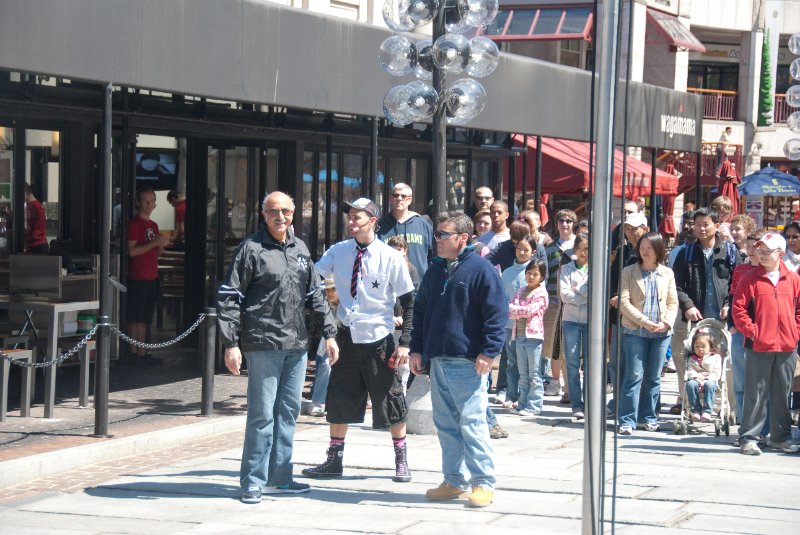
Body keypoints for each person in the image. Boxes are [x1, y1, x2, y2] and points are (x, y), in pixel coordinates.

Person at [217, 191, 338, 503]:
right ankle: (252, 483)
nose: (280, 216)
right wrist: (230, 343)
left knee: (288, 413)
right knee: (261, 416)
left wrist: (329, 334)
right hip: (263, 343)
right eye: (274, 211)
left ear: (293, 213)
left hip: (297, 345)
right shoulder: (251, 249)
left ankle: (280, 478)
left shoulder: (300, 249)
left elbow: (316, 296)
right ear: (263, 213)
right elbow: (229, 296)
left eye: (285, 211)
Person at [304, 198, 416, 482]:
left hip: (379, 339)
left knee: (392, 401)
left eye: (358, 218)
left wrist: (405, 341)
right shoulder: (338, 251)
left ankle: (401, 460)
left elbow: (409, 301)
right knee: (338, 399)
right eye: (350, 217)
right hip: (346, 336)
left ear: (373, 221)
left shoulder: (389, 256)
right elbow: (313, 278)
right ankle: (334, 460)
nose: (351, 222)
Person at [409, 211, 507, 508]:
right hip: (438, 358)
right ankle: (454, 480)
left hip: (468, 360)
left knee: (472, 422)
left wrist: (489, 352)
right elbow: (421, 311)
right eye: (436, 234)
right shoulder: (435, 270)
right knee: (446, 423)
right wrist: (416, 349)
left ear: (463, 238)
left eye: (442, 234)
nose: (436, 239)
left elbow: (496, 315)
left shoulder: (481, 269)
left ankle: (483, 483)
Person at [732, 232, 800, 455]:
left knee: (783, 392)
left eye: (766, 251)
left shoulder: (793, 279)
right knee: (756, 392)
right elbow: (739, 310)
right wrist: (753, 332)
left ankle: (780, 437)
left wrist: (795, 332)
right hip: (759, 345)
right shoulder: (749, 278)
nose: (761, 254)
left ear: (780, 253)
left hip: (787, 346)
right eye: (759, 250)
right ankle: (749, 437)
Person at [670, 207, 737, 414]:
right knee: (689, 365)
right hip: (692, 321)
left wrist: (728, 304)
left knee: (726, 367)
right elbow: (676, 285)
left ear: (716, 226)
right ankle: (690, 407)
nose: (701, 228)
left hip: (721, 320)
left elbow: (736, 284)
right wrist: (688, 305)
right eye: (697, 224)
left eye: (706, 224)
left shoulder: (730, 252)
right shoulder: (686, 252)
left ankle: (729, 409)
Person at [617, 232, 678, 435]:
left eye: (650, 247)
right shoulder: (629, 271)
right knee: (633, 375)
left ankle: (648, 417)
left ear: (658, 249)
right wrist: (644, 322)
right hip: (635, 330)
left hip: (661, 333)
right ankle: (627, 419)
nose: (645, 251)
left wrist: (666, 323)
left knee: (653, 377)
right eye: (642, 247)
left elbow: (672, 302)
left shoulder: (667, 273)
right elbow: (624, 302)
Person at [608, 212, 649, 413]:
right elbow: (612, 281)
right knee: (617, 362)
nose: (631, 233)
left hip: (642, 317)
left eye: (635, 228)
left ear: (645, 229)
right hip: (620, 317)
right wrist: (615, 295)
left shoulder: (651, 252)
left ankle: (639, 405)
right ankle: (618, 402)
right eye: (627, 229)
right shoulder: (621, 252)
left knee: (638, 365)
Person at [126, 188, 170, 367]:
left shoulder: (153, 225)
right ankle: (133, 352)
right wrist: (155, 243)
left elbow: (156, 252)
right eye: (146, 201)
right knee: (134, 317)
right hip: (137, 276)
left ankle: (142, 351)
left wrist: (161, 245)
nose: (149, 205)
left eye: (152, 201)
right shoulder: (135, 224)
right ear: (138, 203)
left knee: (145, 317)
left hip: (152, 276)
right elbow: (132, 251)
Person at [727, 229, 766, 424]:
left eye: (756, 246)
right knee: (740, 381)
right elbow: (732, 297)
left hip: (764, 333)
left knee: (761, 384)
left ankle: (761, 426)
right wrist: (732, 326)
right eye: (748, 246)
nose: (751, 250)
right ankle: (744, 424)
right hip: (740, 332)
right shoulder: (741, 269)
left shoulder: (771, 271)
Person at [497, 233, 539, 408]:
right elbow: (501, 296)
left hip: (528, 326)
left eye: (526, 250)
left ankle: (527, 396)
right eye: (519, 249)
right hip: (509, 324)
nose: (522, 252)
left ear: (533, 252)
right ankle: (511, 394)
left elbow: (537, 298)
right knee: (511, 361)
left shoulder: (535, 272)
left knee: (528, 364)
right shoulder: (506, 272)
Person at [542, 209, 576, 398]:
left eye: (569, 221)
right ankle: (555, 381)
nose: (565, 224)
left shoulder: (581, 245)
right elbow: (545, 276)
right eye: (561, 220)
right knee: (553, 344)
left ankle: (570, 385)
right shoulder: (550, 248)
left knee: (570, 346)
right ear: (556, 224)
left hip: (575, 303)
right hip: (554, 301)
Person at [508, 260, 549, 416]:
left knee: (534, 374)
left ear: (542, 277)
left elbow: (529, 310)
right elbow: (510, 309)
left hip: (533, 338)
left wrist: (517, 309)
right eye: (529, 273)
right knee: (523, 374)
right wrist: (518, 309)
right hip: (519, 336)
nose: (531, 276)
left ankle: (535, 406)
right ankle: (522, 403)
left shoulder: (541, 293)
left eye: (535, 274)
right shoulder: (521, 291)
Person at [559, 233, 590, 419]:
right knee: (571, 362)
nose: (584, 252)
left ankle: (589, 401)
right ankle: (576, 404)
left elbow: (595, 291)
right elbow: (564, 296)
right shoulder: (566, 268)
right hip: (570, 319)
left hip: (589, 320)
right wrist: (583, 293)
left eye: (587, 248)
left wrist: (576, 290)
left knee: (589, 363)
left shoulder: (595, 268)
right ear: (575, 250)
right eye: (580, 248)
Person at [378, 182, 434, 279]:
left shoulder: (423, 225)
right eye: (396, 195)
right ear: (391, 199)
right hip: (390, 288)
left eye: (403, 196)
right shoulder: (380, 226)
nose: (399, 198)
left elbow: (433, 256)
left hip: (420, 288)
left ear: (410, 200)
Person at [307, 277, 341, 417]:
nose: (329, 292)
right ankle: (317, 401)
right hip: (326, 338)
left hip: (344, 335)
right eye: (326, 290)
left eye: (331, 289)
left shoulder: (346, 299)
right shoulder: (321, 301)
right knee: (324, 363)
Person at [685, 329, 722, 423]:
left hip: (710, 380)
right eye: (697, 346)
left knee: (709, 384)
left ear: (710, 347)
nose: (700, 349)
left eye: (703, 346)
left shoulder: (715, 357)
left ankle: (707, 411)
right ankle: (696, 410)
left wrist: (706, 379)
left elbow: (716, 372)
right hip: (696, 380)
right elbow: (690, 371)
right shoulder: (692, 358)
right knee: (690, 384)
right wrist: (697, 379)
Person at [24, 183, 48, 254]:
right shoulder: (38, 205)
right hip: (40, 244)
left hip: (35, 245)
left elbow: (27, 227)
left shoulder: (31, 207)